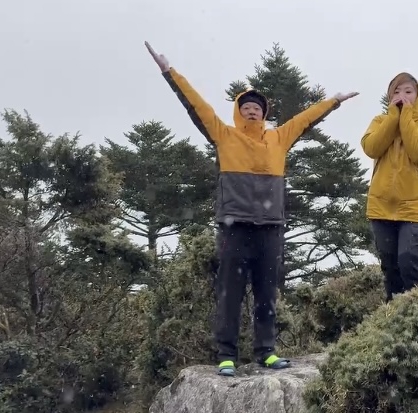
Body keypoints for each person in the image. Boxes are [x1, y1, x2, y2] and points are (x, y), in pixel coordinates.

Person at [144, 41, 358, 375]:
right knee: (229, 294)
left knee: (266, 293)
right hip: (235, 226)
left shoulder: (279, 138)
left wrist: (333, 102)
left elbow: (305, 118)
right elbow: (195, 105)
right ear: (237, 111)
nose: (252, 109)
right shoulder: (224, 135)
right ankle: (226, 355)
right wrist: (169, 71)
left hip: (270, 227)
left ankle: (266, 352)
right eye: (246, 105)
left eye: (257, 106)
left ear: (265, 112)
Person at [360, 72, 418, 302]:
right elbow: (372, 148)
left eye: (408, 91)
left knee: (410, 263)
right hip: (381, 207)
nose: (402, 96)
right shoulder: (379, 122)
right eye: (396, 91)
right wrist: (393, 117)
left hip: (417, 208)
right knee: (391, 269)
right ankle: (394, 322)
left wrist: (405, 116)